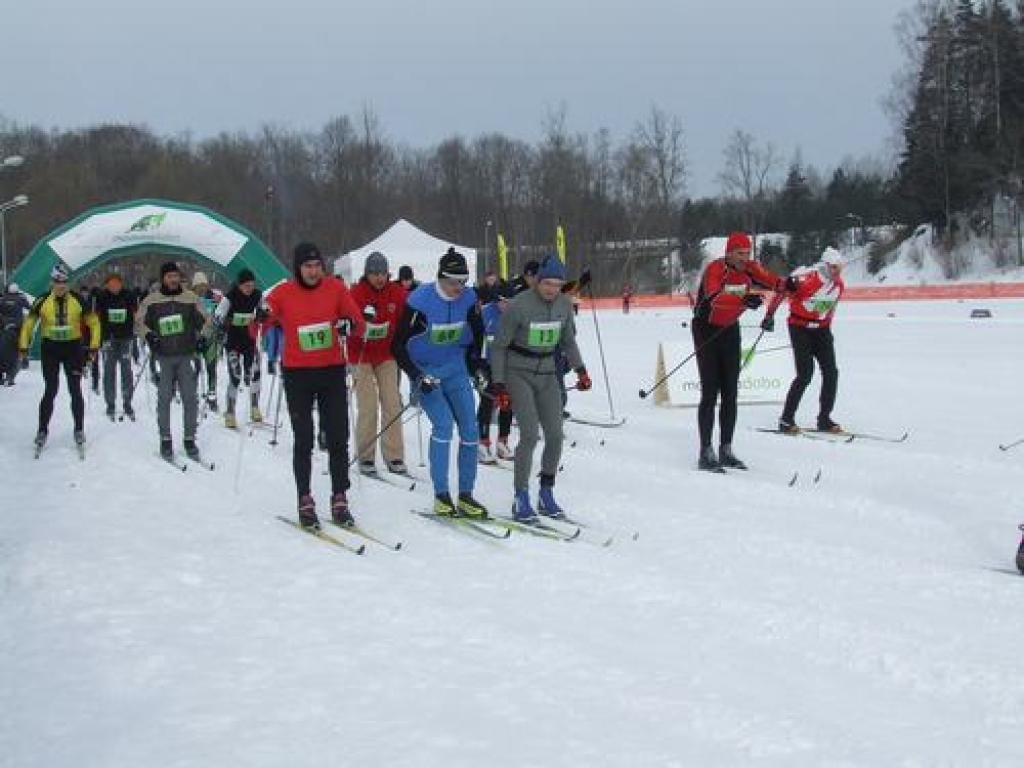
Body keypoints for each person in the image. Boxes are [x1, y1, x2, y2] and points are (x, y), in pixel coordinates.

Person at [264, 242, 365, 529]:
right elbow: (261, 320)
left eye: (317, 266)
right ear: (298, 268)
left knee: (337, 436)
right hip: (297, 374)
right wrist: (260, 317)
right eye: (307, 266)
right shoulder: (283, 292)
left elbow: (358, 323)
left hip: (331, 371)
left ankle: (339, 496)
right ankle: (305, 497)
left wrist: (348, 324)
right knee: (304, 439)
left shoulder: (335, 288)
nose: (313, 271)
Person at [491, 256, 591, 522]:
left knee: (556, 435)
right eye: (547, 283)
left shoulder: (564, 306)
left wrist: (581, 370)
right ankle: (520, 495)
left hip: (547, 372)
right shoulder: (518, 306)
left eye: (557, 285)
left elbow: (568, 342)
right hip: (518, 373)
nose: (551, 290)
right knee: (530, 434)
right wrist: (499, 383)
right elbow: (499, 346)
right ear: (537, 280)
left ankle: (546, 492)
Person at [392, 247, 489, 518]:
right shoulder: (419, 300)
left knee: (471, 430)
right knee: (444, 426)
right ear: (440, 278)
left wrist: (477, 365)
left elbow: (478, 333)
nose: (459, 287)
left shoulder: (469, 298)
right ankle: (441, 494)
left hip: (456, 370)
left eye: (463, 281)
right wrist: (416, 375)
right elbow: (397, 346)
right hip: (427, 372)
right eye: (453, 282)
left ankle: (467, 495)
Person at [691, 231, 788, 473]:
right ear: (729, 252)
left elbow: (778, 285)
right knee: (710, 391)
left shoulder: (751, 269)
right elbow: (714, 298)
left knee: (731, 392)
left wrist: (788, 287)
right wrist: (743, 300)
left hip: (730, 330)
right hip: (706, 329)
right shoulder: (715, 269)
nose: (744, 258)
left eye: (747, 253)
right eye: (739, 253)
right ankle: (705, 451)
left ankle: (726, 449)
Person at [18, 265, 101, 448]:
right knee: (50, 390)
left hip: (72, 349)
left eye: (64, 282)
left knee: (75, 390)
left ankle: (79, 429)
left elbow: (94, 322)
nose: (61, 286)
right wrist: (24, 346)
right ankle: (42, 430)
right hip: (51, 349)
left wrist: (94, 345)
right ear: (52, 282)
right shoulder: (43, 299)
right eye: (57, 282)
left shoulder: (77, 299)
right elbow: (29, 323)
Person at [136, 261, 211, 460]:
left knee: (190, 399)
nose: (173, 279)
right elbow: (139, 322)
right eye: (169, 276)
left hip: (186, 355)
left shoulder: (190, 298)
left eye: (176, 276)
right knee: (164, 399)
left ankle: (189, 438)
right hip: (164, 357)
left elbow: (207, 320)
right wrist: (149, 335)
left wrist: (203, 337)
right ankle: (165, 439)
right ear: (163, 278)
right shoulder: (152, 300)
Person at [348, 251, 409, 476]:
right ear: (367, 273)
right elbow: (346, 322)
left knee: (392, 403)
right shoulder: (356, 293)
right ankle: (366, 456)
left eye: (383, 273)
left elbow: (408, 312)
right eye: (375, 273)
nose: (379, 278)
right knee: (368, 406)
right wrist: (360, 323)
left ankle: (394, 455)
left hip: (386, 355)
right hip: (360, 355)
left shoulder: (396, 292)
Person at [776, 247, 846, 434]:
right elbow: (782, 290)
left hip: (821, 331)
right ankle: (786, 419)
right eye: (833, 267)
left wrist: (825, 328)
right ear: (824, 266)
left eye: (840, 268)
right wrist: (769, 316)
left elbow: (830, 310)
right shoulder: (806, 278)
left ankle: (824, 419)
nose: (837, 272)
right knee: (805, 374)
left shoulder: (838, 285)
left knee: (831, 373)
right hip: (799, 329)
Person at [214, 269, 264, 429]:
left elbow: (267, 309)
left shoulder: (257, 295)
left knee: (255, 372)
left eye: (252, 285)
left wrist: (263, 314)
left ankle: (255, 407)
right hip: (233, 342)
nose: (250, 289)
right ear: (240, 285)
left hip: (250, 341)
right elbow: (218, 315)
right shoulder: (230, 297)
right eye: (246, 286)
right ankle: (230, 412)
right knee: (235, 376)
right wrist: (221, 325)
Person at [476, 281, 515, 464]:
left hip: (508, 366)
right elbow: (474, 343)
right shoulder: (485, 313)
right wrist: (478, 368)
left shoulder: (515, 314)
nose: (506, 306)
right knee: (488, 401)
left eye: (510, 301)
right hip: (487, 365)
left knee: (508, 401)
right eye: (503, 301)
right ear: (496, 299)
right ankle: (482, 443)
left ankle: (503, 441)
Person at [94, 273, 139, 420]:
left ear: (121, 283)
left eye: (117, 283)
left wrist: (138, 327)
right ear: (107, 285)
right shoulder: (102, 296)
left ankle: (127, 402)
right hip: (109, 339)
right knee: (109, 371)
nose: (114, 287)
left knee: (126, 370)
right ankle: (110, 403)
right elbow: (96, 317)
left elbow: (136, 313)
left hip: (125, 338)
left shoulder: (129, 295)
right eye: (111, 284)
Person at [191, 271, 222, 412]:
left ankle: (212, 397)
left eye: (204, 285)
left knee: (211, 369)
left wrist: (221, 331)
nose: (201, 288)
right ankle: (192, 395)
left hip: (210, 339)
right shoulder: (190, 299)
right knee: (195, 369)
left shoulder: (214, 298)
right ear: (194, 287)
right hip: (195, 340)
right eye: (198, 286)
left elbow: (219, 316)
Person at [0, 283, 30, 386]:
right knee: (21, 347)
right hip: (17, 328)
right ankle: (24, 358)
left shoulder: (2, 299)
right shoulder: (21, 298)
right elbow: (30, 307)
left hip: (3, 328)